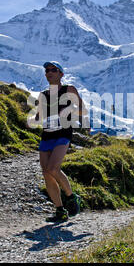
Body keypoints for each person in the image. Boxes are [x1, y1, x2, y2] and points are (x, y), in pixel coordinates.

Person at [34, 61, 85, 222]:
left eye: (53, 70)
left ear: (61, 74)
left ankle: (71, 197)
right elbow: (37, 117)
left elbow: (82, 109)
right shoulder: (43, 94)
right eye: (47, 70)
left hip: (63, 132)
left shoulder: (68, 89)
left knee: (53, 168)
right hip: (47, 134)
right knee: (46, 172)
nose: (49, 72)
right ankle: (60, 210)